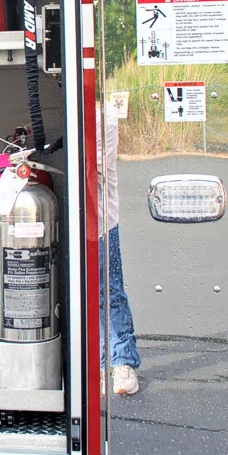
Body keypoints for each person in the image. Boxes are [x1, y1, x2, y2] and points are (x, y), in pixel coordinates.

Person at [97, 101, 141, 395]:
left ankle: (123, 361)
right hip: (73, 223)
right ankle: (97, 364)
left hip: (101, 224)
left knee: (110, 294)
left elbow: (95, 168)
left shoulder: (105, 118)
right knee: (80, 296)